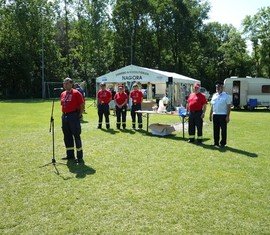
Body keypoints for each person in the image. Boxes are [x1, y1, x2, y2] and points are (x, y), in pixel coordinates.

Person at [60, 77, 85, 163]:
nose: (65, 85)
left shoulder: (76, 93)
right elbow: (62, 105)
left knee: (76, 136)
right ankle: (70, 155)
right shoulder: (63, 93)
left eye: (67, 83)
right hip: (65, 116)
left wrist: (79, 115)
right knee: (67, 136)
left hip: (73, 116)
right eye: (64, 83)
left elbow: (82, 105)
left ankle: (79, 157)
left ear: (71, 84)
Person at [209, 81, 232, 148]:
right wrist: (210, 114)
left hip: (223, 115)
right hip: (215, 115)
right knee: (215, 130)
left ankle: (223, 143)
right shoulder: (214, 95)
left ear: (222, 87)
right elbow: (212, 106)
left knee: (223, 130)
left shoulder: (226, 96)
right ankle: (216, 143)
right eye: (216, 87)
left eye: (219, 87)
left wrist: (228, 116)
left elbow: (229, 106)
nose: (217, 88)